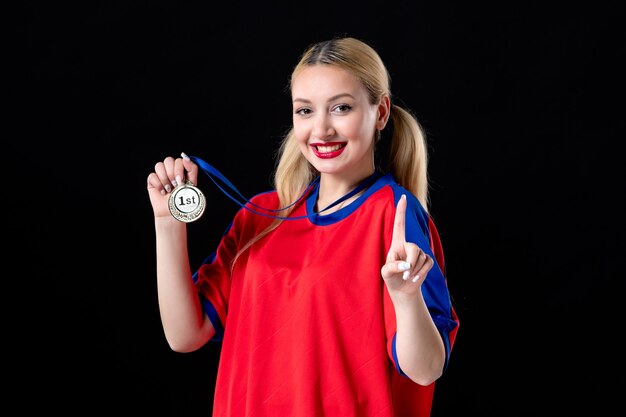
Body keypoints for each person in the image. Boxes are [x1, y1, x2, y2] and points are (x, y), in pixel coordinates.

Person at [146, 36, 459, 417]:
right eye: (305, 111)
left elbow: (425, 370)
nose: (321, 129)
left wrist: (407, 299)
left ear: (380, 113)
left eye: (341, 108)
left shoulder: (392, 215)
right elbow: (185, 335)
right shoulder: (261, 214)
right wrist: (167, 224)